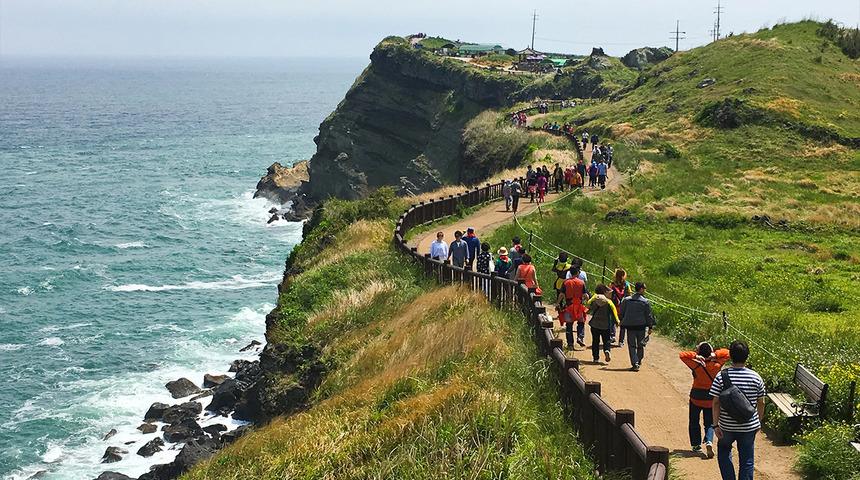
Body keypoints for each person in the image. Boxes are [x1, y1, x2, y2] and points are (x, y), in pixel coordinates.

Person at [709, 341, 766, 480]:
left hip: (727, 426)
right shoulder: (756, 377)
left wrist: (715, 425)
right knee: (747, 458)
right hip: (749, 425)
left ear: (730, 356)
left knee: (723, 452)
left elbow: (716, 402)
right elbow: (761, 402)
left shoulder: (721, 376)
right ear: (747, 356)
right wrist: (758, 422)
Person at [680, 342, 731, 458]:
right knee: (709, 423)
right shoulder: (717, 365)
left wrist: (695, 356)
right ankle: (709, 441)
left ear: (699, 352)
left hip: (696, 397)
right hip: (711, 398)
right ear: (710, 352)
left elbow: (682, 355)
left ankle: (696, 445)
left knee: (694, 421)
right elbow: (728, 353)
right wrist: (715, 355)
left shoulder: (695, 364)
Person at [619, 282, 656, 371]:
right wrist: (650, 326)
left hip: (630, 326)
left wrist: (623, 321)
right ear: (641, 289)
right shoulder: (645, 302)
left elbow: (621, 312)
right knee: (641, 345)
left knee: (632, 345)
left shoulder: (626, 300)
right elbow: (649, 315)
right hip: (641, 327)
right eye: (645, 288)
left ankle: (635, 363)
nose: (645, 290)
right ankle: (638, 361)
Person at [586, 284, 619, 363]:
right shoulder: (608, 302)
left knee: (595, 341)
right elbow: (614, 313)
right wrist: (617, 322)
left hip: (595, 324)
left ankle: (596, 358)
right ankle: (607, 350)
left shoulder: (594, 300)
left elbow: (588, 309)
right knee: (606, 340)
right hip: (606, 325)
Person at [558, 265, 588, 348]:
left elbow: (561, 295)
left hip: (569, 306)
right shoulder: (582, 283)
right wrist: (586, 301)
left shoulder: (566, 282)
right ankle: (580, 337)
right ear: (578, 272)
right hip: (579, 306)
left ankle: (570, 344)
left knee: (569, 325)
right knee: (581, 322)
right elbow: (585, 295)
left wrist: (558, 303)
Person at [609, 269, 633, 346]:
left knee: (612, 321)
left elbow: (609, 294)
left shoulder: (612, 284)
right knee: (623, 323)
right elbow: (629, 294)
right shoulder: (626, 284)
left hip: (614, 305)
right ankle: (621, 341)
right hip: (624, 306)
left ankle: (612, 336)